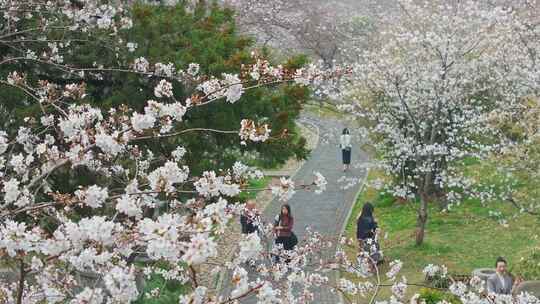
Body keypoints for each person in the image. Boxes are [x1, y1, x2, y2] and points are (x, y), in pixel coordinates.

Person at [356, 202, 383, 270]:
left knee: (365, 249)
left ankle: (363, 263)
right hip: (366, 236)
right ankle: (369, 265)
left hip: (363, 236)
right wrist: (375, 225)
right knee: (369, 250)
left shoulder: (363, 215)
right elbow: (371, 226)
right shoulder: (365, 218)